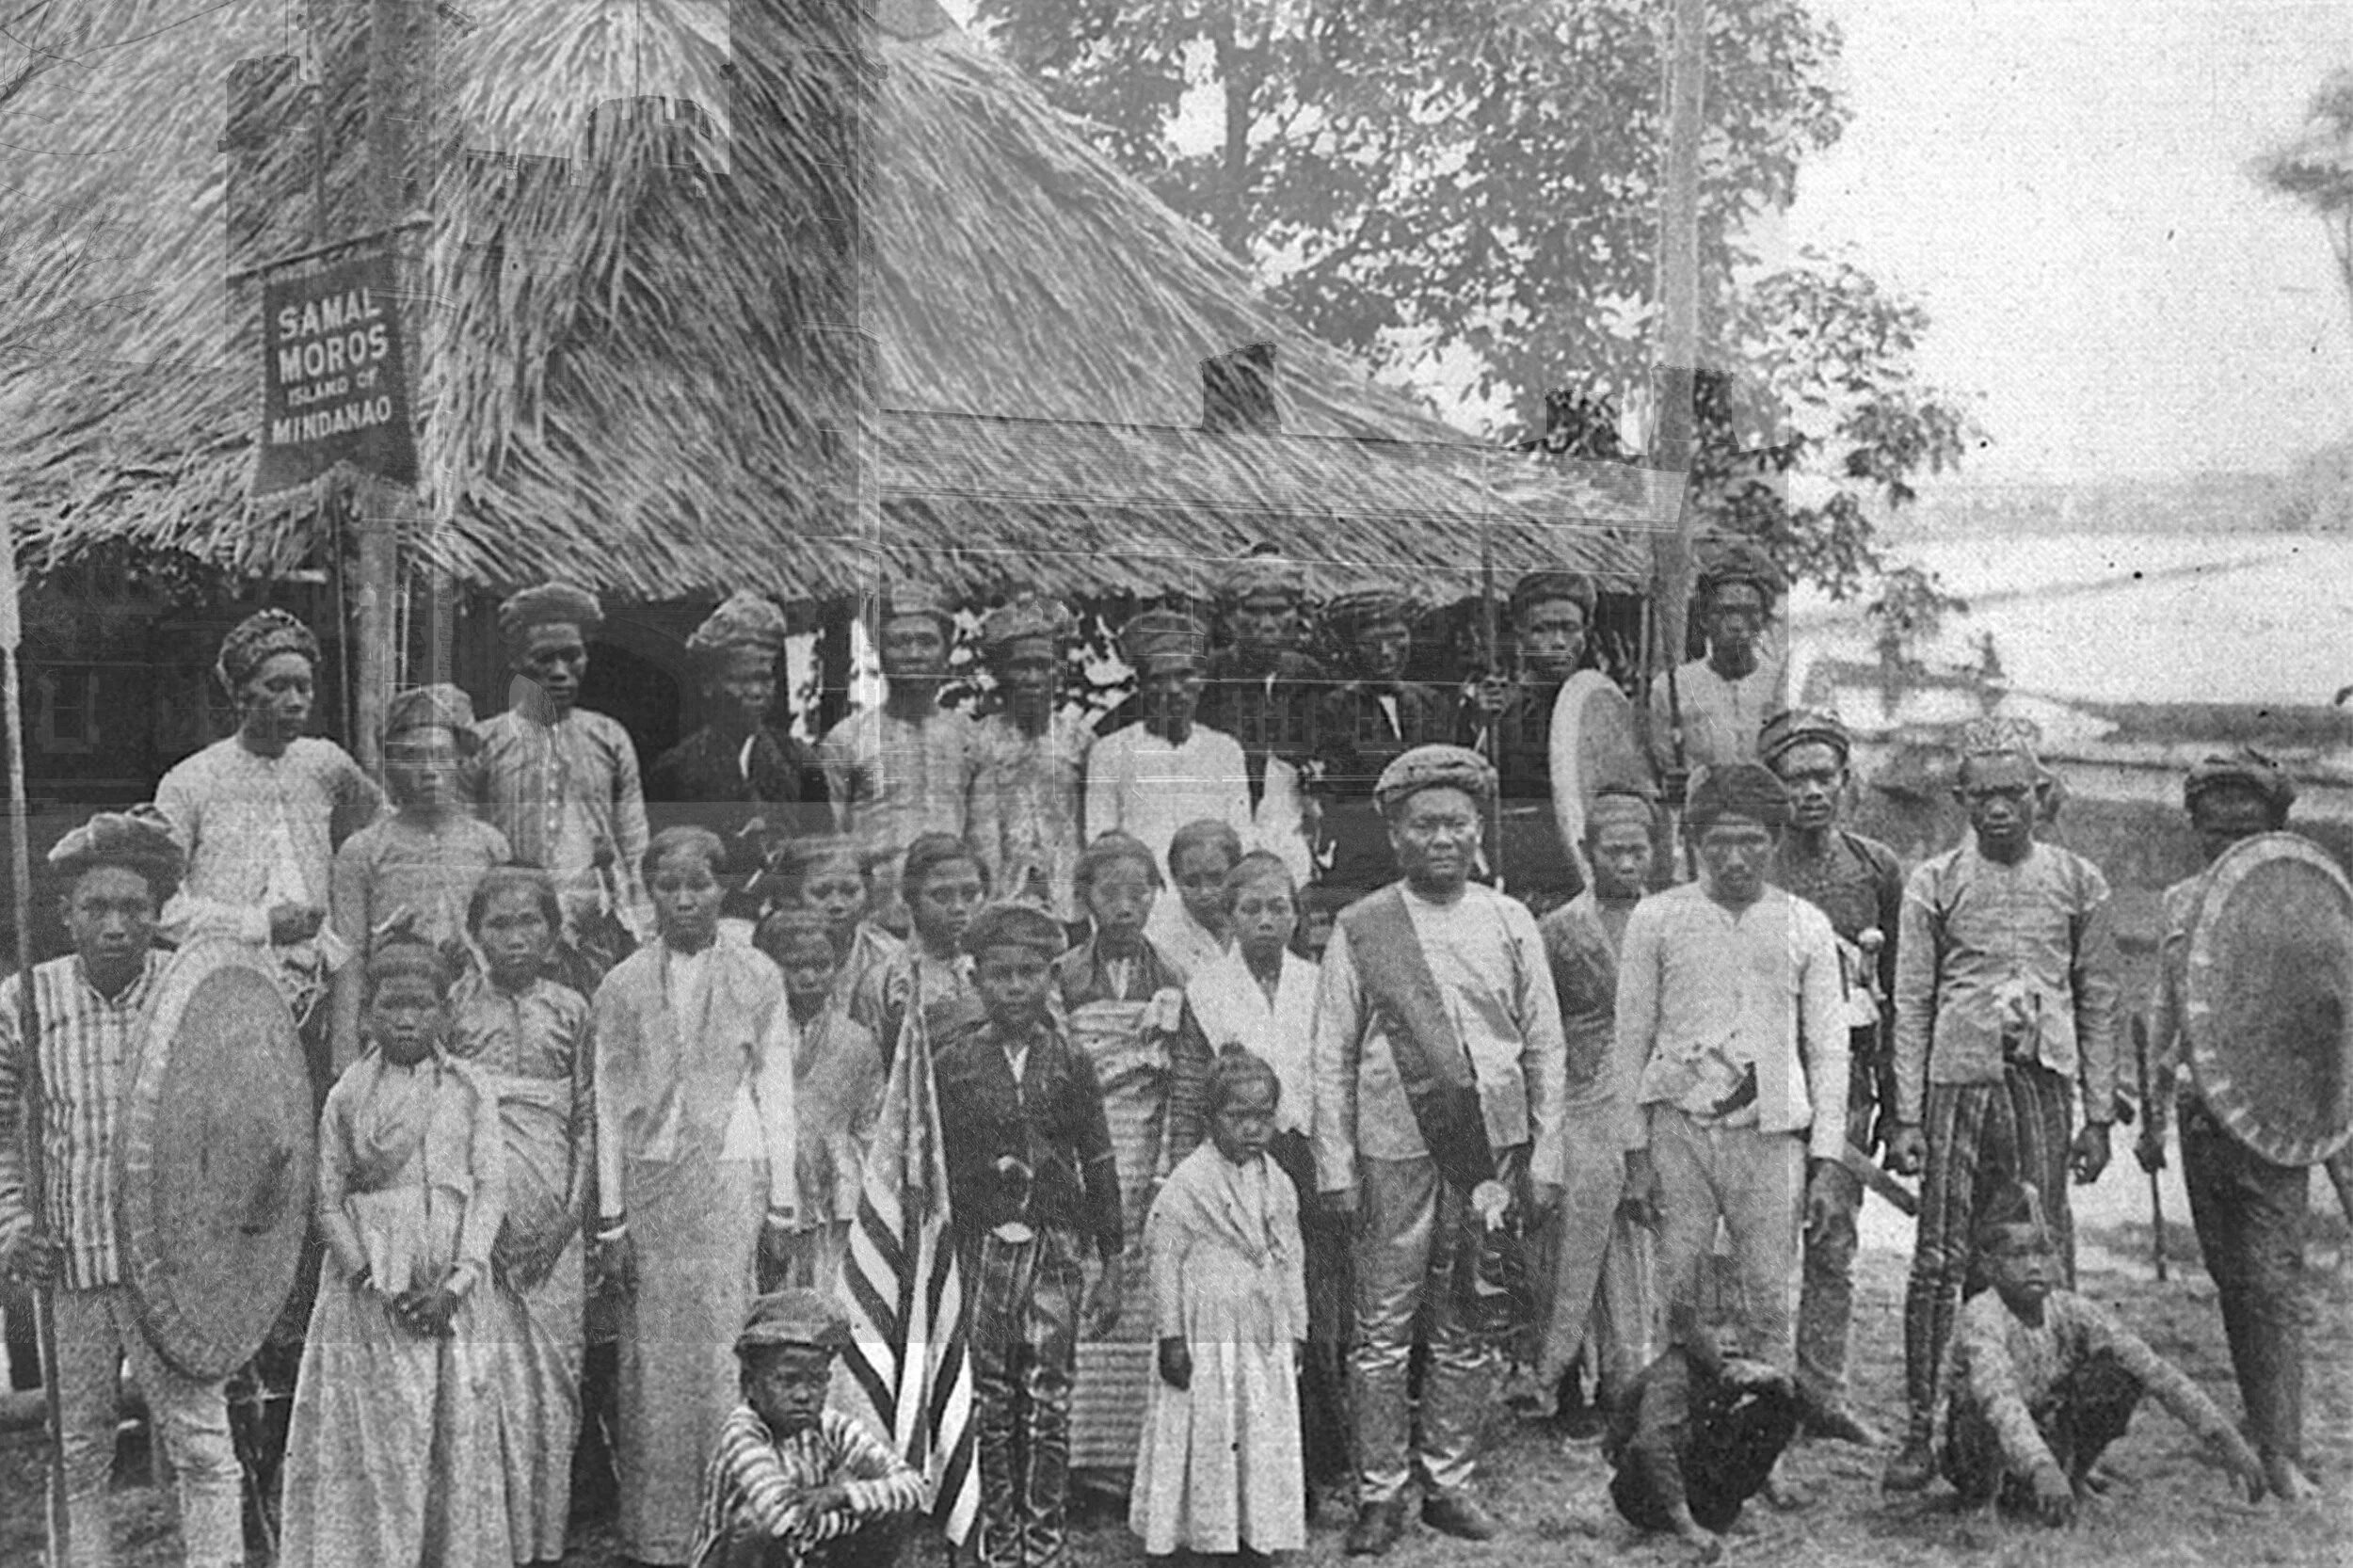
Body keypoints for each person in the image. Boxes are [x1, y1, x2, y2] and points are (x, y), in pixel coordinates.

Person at [1311, 744, 1568, 1554]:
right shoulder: (1363, 928)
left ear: (1478, 828)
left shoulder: (1509, 919)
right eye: (1424, 825)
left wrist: (1549, 1153)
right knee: (1383, 1327)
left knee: (1470, 1316)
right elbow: (1330, 1055)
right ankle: (1380, 1491)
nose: (1442, 840)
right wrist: (1335, 1164)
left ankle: (1449, 1480)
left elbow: (1545, 1047)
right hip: (1391, 1145)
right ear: (1395, 833)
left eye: (1457, 823)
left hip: (1491, 1150)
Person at [0, 811, 245, 1568]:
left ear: (159, 911)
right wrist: (13, 1224)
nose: (115, 925)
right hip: (70, 1266)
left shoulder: (191, 990)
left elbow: (237, 1123)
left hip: (172, 1271)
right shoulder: (24, 1002)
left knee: (203, 1443)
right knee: (79, 1454)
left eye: (133, 908)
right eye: (96, 908)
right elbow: (1, 1129)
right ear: (65, 914)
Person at [1883, 719, 2121, 1492]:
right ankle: (1923, 1432)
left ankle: (2060, 1441)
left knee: (2043, 1256)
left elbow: (2099, 1000)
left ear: (2039, 794)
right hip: (1959, 1088)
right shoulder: (1935, 881)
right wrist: (1909, 1116)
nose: (1996, 810)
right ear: (1961, 799)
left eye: (2012, 793)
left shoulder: (2079, 881)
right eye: (1980, 796)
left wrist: (2097, 1116)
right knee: (1941, 1258)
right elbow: (1912, 1001)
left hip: (2044, 1087)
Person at [593, 826, 801, 1566]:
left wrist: (783, 1204)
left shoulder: (757, 975)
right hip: (652, 1181)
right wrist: (611, 1221)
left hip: (730, 1175)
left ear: (723, 890)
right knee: (653, 1360)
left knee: (724, 1350)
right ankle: (661, 1532)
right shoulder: (621, 984)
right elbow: (607, 1101)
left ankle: (735, 1523)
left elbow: (774, 1090)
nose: (685, 899)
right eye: (669, 886)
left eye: (699, 885)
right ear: (649, 894)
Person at [1615, 765, 1849, 1419]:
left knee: (1772, 1298)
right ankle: (1674, 1433)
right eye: (1719, 842)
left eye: (1752, 840)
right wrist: (1634, 1157)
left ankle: (1760, 1447)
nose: (1736, 857)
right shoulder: (1658, 919)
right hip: (1680, 1134)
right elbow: (1630, 1041)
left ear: (1775, 840)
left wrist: (1825, 1162)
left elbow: (1830, 1051)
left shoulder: (1805, 924)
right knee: (1679, 1293)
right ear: (1693, 841)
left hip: (1770, 1137)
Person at [276, 927, 508, 1568]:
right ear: (368, 1012)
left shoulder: (470, 1088)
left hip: (451, 1288)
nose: (407, 1019)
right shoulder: (348, 1093)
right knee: (382, 1439)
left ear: (445, 1011)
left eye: (422, 1005)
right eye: (391, 1006)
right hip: (370, 1296)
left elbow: (490, 1190)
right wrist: (370, 1281)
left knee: (450, 1431)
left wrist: (457, 1283)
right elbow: (326, 1199)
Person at [2136, 748, 2322, 1501]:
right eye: (2212, 832)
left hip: (2276, 1118)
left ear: (2274, 828)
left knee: (2274, 1282)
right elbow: (2166, 1012)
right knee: (2234, 1282)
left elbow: (2329, 1020)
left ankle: (2284, 1453)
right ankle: (2262, 1423)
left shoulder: (2300, 898)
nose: (2226, 846)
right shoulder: (2181, 903)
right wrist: (2150, 1117)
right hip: (2200, 1116)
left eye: (2243, 832)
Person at [933, 902, 1124, 1568]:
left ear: (1051, 977)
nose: (1016, 987)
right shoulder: (952, 1062)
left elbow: (1098, 1161)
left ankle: (1044, 1541)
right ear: (976, 979)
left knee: (1048, 1394)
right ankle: (997, 1537)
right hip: (980, 1249)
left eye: (1030, 972)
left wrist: (1114, 1260)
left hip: (1055, 1247)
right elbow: (935, 1167)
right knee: (990, 1392)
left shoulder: (1071, 1059)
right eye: (1001, 973)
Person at [1165, 852, 1351, 1510]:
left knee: (1314, 1317)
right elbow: (1191, 1090)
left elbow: (1338, 1079)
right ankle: (1245, 1479)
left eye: (1278, 907)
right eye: (1251, 909)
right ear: (1230, 916)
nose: (1266, 921)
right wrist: (1190, 1177)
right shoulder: (1207, 991)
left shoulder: (1321, 981)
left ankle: (1321, 1466)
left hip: (1307, 1158)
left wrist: (1338, 1168)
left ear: (1298, 916)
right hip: (1236, 1164)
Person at [1934, 1184, 2265, 1522]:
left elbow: (2152, 1369)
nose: (2034, 1265)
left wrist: (2222, 1436)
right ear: (1990, 1267)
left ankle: (2073, 1478)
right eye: (2018, 1255)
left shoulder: (2070, 1310)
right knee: (1974, 1398)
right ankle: (1982, 1499)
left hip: (2041, 1440)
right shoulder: (1983, 1313)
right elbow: (1997, 1396)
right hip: (1974, 1449)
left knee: (2117, 1374)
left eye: (2042, 1253)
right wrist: (2039, 1465)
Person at [1759, 708, 1903, 1445]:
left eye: (1824, 777)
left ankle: (1823, 1393)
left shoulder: (1875, 868)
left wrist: (1897, 1107)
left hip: (1847, 1079)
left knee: (1833, 1237)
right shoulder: (1749, 864)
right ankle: (1753, 1399)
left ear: (1846, 783)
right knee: (1757, 1239)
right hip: (1762, 1078)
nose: (1810, 792)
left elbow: (1902, 990)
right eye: (1794, 780)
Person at [154, 608, 382, 1062]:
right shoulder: (190, 781)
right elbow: (162, 908)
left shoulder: (325, 765)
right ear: (239, 695)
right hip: (226, 988)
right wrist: (261, 925)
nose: (295, 701)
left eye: (304, 687)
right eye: (276, 687)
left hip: (323, 990)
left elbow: (379, 833)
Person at [448, 867, 592, 1566]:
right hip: (478, 1229)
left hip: (556, 1227)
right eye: (498, 925)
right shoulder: (453, 1010)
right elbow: (445, 1122)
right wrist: (484, 1226)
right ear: (474, 936)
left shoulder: (573, 1009)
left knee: (554, 1387)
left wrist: (568, 1223)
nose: (514, 938)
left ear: (554, 932)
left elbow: (591, 1122)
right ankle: (489, 1543)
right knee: (485, 1381)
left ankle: (546, 1542)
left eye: (529, 922)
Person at [1131, 1048, 1309, 1565]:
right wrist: (1170, 1338)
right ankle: (1193, 1534)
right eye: (1238, 1117)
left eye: (1263, 1117)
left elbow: (1289, 1256)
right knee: (1203, 1427)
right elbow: (1164, 1263)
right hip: (1204, 1325)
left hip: (1259, 1325)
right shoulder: (1189, 1183)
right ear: (1211, 1120)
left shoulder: (1275, 1180)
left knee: (1257, 1424)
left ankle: (1253, 1530)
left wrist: (1296, 1327)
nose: (1253, 1130)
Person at [1530, 791, 1661, 1432]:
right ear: (1587, 853)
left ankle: (1628, 1379)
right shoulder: (1560, 930)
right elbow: (1542, 1029)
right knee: (1575, 1242)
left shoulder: (1669, 921)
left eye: (1639, 851)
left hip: (1648, 1104)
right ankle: (1562, 1380)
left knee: (1635, 1241)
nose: (1628, 863)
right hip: (1582, 1102)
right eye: (1615, 852)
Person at [474, 583, 656, 984]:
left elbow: (635, 843)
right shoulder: (486, 742)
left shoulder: (608, 737)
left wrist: (644, 930)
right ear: (519, 663)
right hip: (514, 935)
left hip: (601, 931)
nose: (560, 672)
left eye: (571, 657)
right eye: (544, 659)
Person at [330, 683, 513, 1074]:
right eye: (411, 758)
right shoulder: (363, 850)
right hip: (398, 1017)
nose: (429, 771)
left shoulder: (489, 844)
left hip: (476, 1016)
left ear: (461, 761)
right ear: (390, 767)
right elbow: (348, 955)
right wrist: (345, 1050)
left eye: (441, 756)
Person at [687, 1288, 926, 1568]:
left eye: (814, 1381)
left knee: (895, 1507)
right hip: (735, 1561)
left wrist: (840, 1495)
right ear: (750, 1383)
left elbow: (914, 1487)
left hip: (803, 1554)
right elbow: (783, 1520)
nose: (803, 1395)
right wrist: (859, 1510)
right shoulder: (743, 1430)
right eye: (787, 1381)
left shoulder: (829, 1425)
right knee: (757, 1523)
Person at [1055, 833, 1188, 1333]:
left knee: (1138, 1238)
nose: (1126, 908)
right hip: (1081, 1129)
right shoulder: (1064, 974)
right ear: (1086, 897)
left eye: (1140, 894)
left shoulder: (1173, 973)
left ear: (1157, 894)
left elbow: (1179, 1070)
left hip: (1145, 1131)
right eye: (1111, 895)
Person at [647, 590, 829, 922]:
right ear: (708, 684)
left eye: (763, 679)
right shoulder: (674, 770)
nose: (756, 693)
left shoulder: (798, 761)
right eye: (740, 680)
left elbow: (821, 854)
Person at [819, 584, 980, 934]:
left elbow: (982, 838)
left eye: (926, 642)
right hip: (875, 915)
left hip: (954, 913)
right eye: (899, 643)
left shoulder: (970, 738)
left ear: (946, 651)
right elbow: (833, 840)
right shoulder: (848, 739)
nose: (913, 654)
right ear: (879, 652)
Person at [1605, 1300, 1801, 1562]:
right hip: (1641, 1493)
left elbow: (1795, 1405)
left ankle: (1715, 1513)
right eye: (1714, 1326)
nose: (1729, 1338)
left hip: (1686, 1472)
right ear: (1683, 1335)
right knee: (1660, 1442)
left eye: (1736, 1325)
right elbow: (1650, 1446)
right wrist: (1688, 1529)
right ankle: (1679, 1526)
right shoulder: (1672, 1374)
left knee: (1780, 1401)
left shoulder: (1718, 1364)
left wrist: (1774, 1379)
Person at [752, 907, 884, 1292]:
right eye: (793, 966)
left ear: (838, 965)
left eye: (821, 965)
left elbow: (869, 1125)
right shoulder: (750, 1037)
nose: (807, 977)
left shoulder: (857, 1042)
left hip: (834, 1198)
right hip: (763, 1192)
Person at [1457, 569, 1599, 916]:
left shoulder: (1600, 708)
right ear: (1520, 636)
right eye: (1542, 629)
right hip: (1521, 877)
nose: (1557, 642)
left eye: (1569, 628)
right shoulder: (1496, 710)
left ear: (1585, 634)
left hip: (1588, 872)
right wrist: (1479, 722)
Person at [1084, 610, 1252, 875]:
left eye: (1184, 676)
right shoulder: (1110, 752)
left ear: (1201, 682)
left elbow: (1241, 838)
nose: (1174, 690)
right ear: (1140, 686)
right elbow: (1102, 844)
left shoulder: (1225, 750)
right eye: (1159, 679)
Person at [1199, 546, 1326, 887]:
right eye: (1253, 611)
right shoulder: (1207, 675)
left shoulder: (1309, 676)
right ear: (1229, 617)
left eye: (1278, 610)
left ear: (1295, 615)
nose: (1266, 623)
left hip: (1291, 834)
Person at [1315, 590, 1450, 901]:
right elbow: (1339, 793)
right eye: (1371, 644)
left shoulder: (1431, 702)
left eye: (1397, 639)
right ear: (1351, 650)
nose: (1386, 653)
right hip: (1367, 859)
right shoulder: (1334, 709)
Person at [966, 596, 1094, 922]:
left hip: (1068, 903)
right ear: (1000, 673)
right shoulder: (976, 742)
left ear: (1060, 671)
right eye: (1021, 667)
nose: (1034, 678)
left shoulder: (1080, 742)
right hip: (995, 902)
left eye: (1044, 665)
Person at [1648, 542, 1787, 789]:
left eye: (1749, 612)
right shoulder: (1671, 688)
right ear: (1703, 619)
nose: (1736, 624)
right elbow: (1661, 763)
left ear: (1763, 620)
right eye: (1724, 612)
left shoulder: (1781, 685)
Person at [773, 835, 901, 1039]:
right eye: (821, 894)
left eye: (850, 892)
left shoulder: (889, 956)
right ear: (793, 897)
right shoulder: (770, 954)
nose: (837, 905)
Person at [876, 834, 989, 1050]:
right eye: (941, 895)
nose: (958, 907)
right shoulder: (887, 978)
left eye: (970, 894)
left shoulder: (1004, 967)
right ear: (912, 900)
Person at [1143, 817, 1241, 983]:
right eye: (1191, 882)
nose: (1205, 893)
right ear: (1175, 880)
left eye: (1216, 879)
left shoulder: (1256, 924)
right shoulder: (1158, 945)